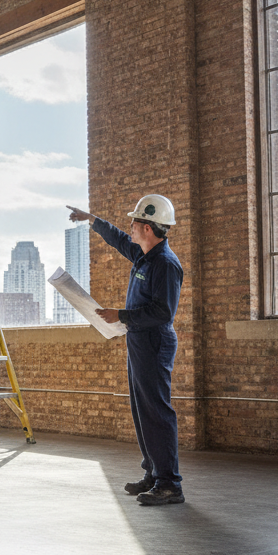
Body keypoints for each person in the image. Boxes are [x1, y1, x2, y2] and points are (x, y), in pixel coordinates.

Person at [68, 194, 184, 506]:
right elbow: (119, 240)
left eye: (134, 222)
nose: (130, 227)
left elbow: (163, 312)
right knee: (141, 410)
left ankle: (170, 484)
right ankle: (155, 473)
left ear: (148, 227)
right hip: (139, 341)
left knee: (157, 412)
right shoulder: (145, 256)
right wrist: (91, 220)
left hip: (154, 343)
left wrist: (120, 315)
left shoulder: (166, 264)